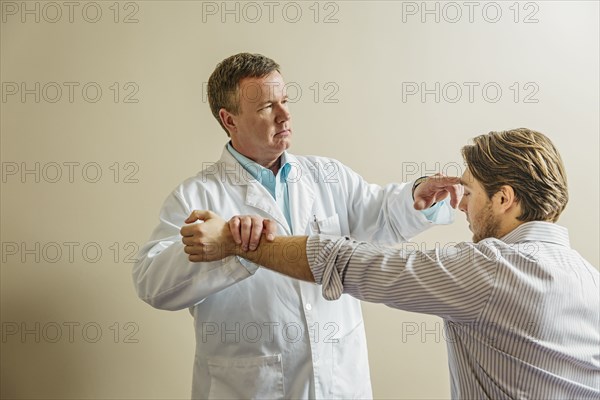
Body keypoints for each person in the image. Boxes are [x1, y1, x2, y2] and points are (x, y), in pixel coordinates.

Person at [132, 52, 462, 399]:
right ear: (229, 120)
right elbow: (151, 283)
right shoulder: (196, 196)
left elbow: (379, 213)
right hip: (251, 388)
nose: (285, 114)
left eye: (285, 100)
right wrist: (228, 245)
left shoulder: (326, 175)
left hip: (340, 381)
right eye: (266, 107)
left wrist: (417, 194)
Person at [191, 128, 600, 399]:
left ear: (504, 198)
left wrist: (236, 241)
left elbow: (348, 262)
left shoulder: (491, 270)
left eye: (471, 193)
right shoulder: (589, 279)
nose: (464, 208)